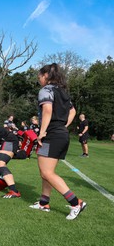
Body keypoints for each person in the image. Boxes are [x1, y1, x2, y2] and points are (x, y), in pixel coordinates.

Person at [31, 63, 86, 220]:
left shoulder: (45, 90)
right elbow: (73, 110)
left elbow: (47, 110)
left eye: (40, 77)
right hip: (61, 133)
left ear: (46, 76)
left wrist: (41, 134)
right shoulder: (62, 91)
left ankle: (76, 203)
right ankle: (43, 203)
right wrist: (63, 125)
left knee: (47, 172)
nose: (39, 80)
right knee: (46, 172)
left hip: (51, 134)